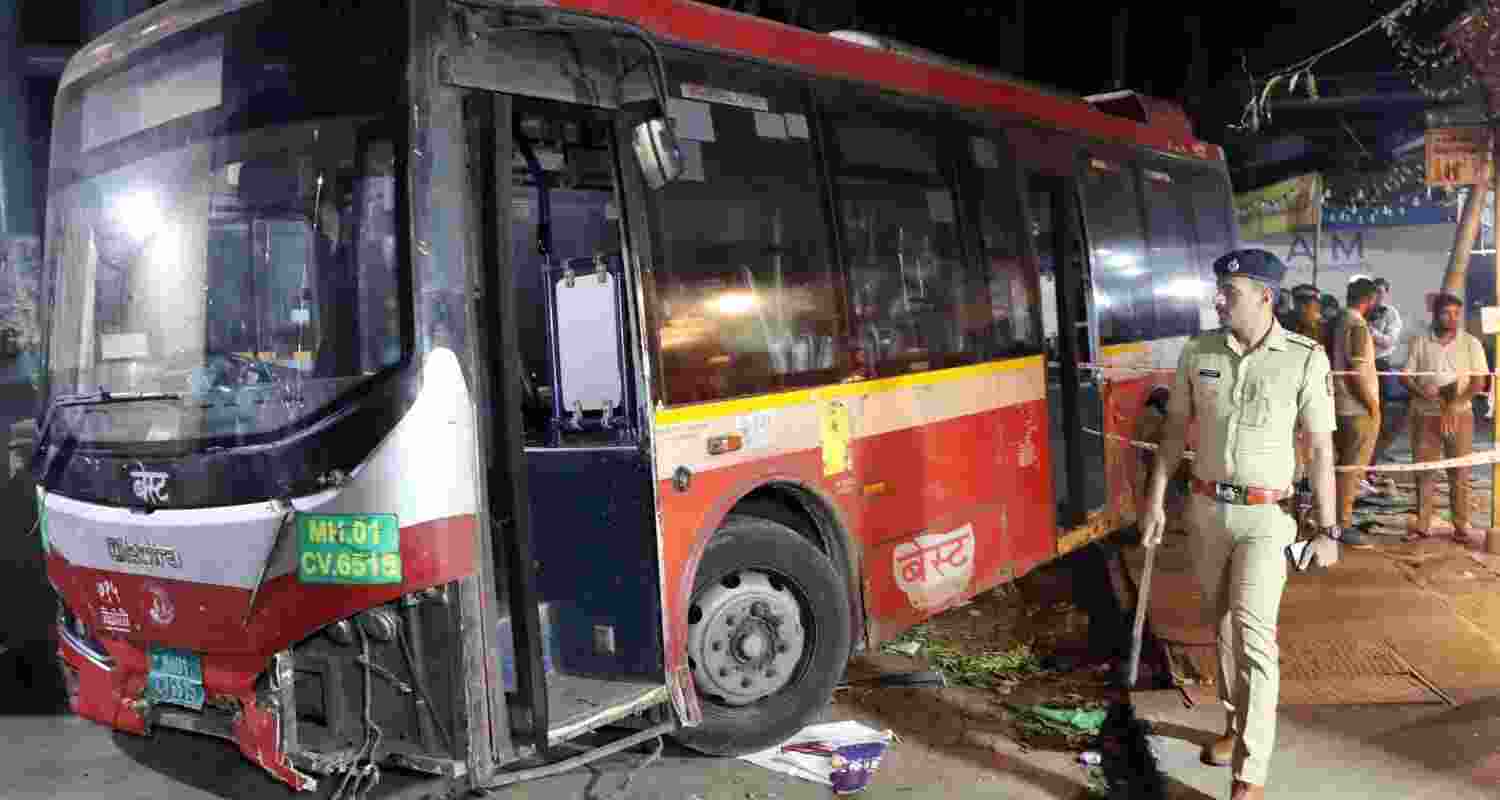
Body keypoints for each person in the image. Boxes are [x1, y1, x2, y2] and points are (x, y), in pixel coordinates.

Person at [1141, 248, 1341, 800]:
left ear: (1264, 296)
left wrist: (1329, 529)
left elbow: (1321, 450)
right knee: (1223, 626)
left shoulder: (1305, 358)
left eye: (1229, 292)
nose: (1218, 300)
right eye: (1219, 290)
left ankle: (1249, 777)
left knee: (1255, 639)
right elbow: (1174, 431)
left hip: (1267, 518)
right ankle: (1234, 723)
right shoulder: (1198, 351)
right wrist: (1155, 501)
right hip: (1206, 511)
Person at [1402, 293, 1490, 539]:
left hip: (1460, 415)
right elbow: (1405, 377)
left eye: (1456, 314)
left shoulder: (1471, 343)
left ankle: (1460, 526)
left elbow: (1478, 382)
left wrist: (1454, 405)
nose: (1452, 318)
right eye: (1446, 313)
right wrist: (1422, 392)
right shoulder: (1421, 342)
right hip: (1425, 414)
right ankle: (1423, 525)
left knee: (1459, 471)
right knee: (1424, 470)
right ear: (1435, 314)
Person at [1327, 278, 1379, 545]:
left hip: (1339, 404)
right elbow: (1356, 373)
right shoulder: (1357, 325)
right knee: (1351, 469)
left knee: (1343, 467)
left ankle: (1337, 519)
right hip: (1355, 408)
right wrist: (1372, 406)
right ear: (1370, 299)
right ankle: (1342, 524)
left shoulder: (1337, 323)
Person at [1367, 278, 1407, 477]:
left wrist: (1370, 330)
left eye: (1381, 292)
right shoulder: (1363, 310)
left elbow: (1389, 341)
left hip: (1379, 364)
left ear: (1387, 294)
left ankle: (1374, 456)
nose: (1378, 296)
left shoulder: (1391, 314)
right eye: (1375, 291)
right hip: (1359, 363)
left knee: (1378, 410)